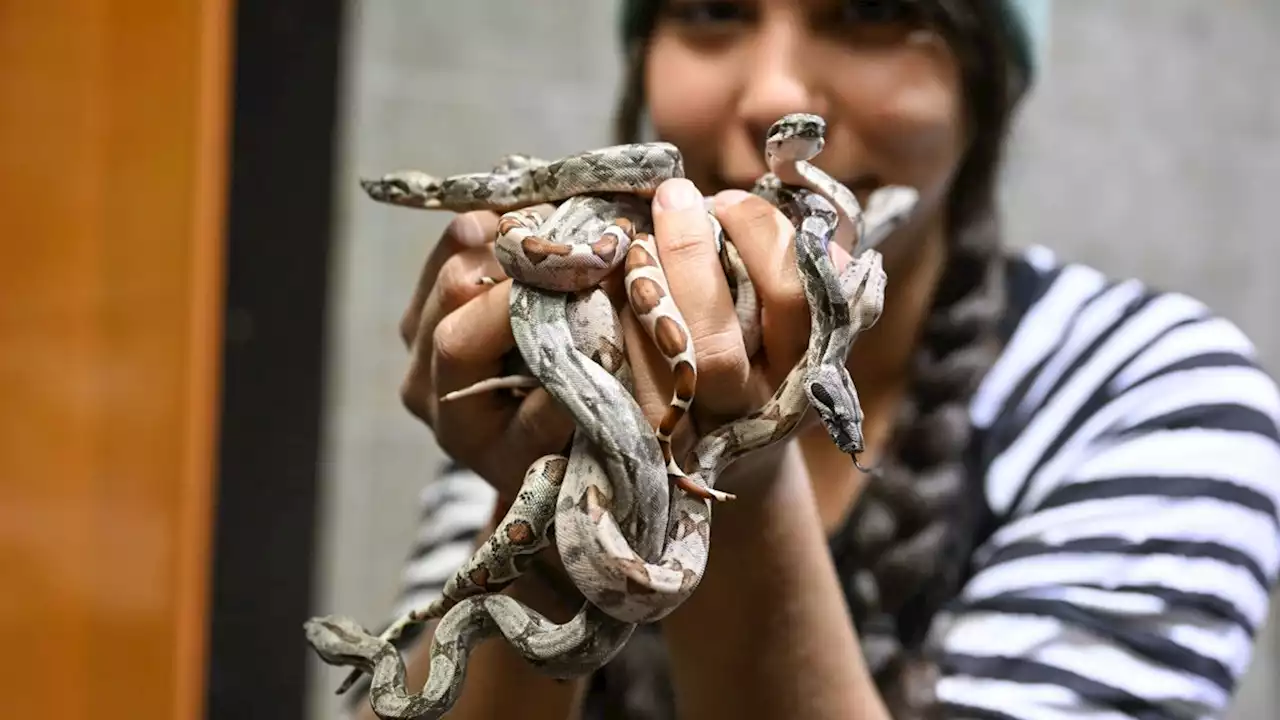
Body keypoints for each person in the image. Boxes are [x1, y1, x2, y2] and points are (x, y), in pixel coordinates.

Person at [345, 1, 1280, 718]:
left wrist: (732, 465)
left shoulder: (1153, 395)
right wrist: (548, 494)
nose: (772, 96)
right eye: (712, 10)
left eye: (872, 13)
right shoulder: (563, 353)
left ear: (985, 82)